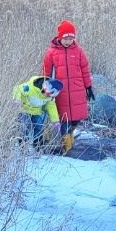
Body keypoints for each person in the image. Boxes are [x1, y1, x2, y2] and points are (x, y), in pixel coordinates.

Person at [41, 20, 94, 153]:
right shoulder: (51, 53)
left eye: (71, 39)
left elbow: (85, 69)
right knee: (64, 119)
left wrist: (88, 87)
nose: (68, 41)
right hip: (61, 92)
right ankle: (68, 148)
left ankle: (70, 135)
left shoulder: (78, 51)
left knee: (77, 117)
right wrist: (46, 89)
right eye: (66, 38)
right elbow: (46, 73)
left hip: (77, 89)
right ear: (60, 37)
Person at [12, 74, 64, 147]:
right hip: (24, 109)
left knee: (38, 127)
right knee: (25, 127)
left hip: (37, 111)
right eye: (47, 94)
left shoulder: (50, 97)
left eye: (50, 96)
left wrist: (55, 121)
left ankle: (38, 146)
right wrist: (17, 99)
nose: (47, 97)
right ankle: (23, 146)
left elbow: (52, 107)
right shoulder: (30, 88)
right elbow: (18, 89)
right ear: (44, 89)